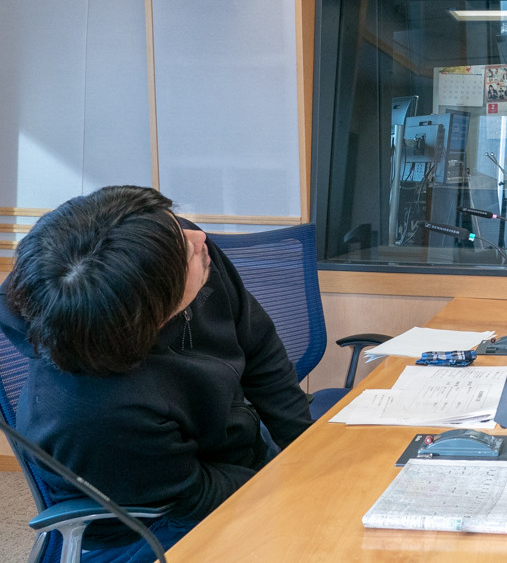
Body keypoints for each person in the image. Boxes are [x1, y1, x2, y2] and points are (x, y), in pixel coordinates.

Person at [0, 186, 312, 561]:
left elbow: (258, 344)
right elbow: (192, 497)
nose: (198, 238)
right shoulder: (93, 413)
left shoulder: (172, 246)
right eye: (185, 252)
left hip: (228, 445)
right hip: (152, 519)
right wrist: (286, 483)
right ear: (154, 315)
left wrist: (306, 449)